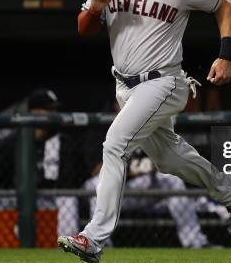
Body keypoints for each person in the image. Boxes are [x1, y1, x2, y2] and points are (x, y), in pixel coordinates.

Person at [58, 0, 231, 263]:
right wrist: (94, 7)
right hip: (125, 86)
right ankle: (230, 191)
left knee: (115, 144)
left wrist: (226, 55)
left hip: (165, 82)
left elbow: (227, 8)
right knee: (169, 158)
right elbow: (83, 29)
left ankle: (94, 238)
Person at [82, 99, 211, 249]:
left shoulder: (151, 125)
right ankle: (100, 244)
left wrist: (154, 165)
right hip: (116, 188)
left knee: (171, 180)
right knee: (95, 185)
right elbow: (95, 171)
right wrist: (130, 167)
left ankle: (194, 242)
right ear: (116, 105)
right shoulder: (103, 126)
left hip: (143, 186)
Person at [0, 89, 85, 239]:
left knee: (68, 200)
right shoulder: (11, 142)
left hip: (52, 198)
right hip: (17, 197)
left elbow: (72, 178)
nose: (54, 114)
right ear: (34, 111)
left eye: (55, 109)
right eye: (49, 109)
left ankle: (67, 248)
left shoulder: (64, 142)